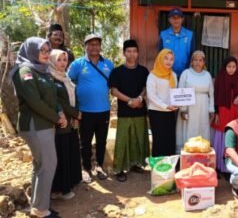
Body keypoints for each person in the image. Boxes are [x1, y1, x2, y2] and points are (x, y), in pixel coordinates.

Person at [10, 37, 67, 218]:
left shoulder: (42, 70)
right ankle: (42, 210)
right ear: (32, 51)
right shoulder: (25, 71)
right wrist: (56, 118)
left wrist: (60, 112)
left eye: (47, 50)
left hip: (45, 124)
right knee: (48, 164)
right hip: (36, 125)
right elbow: (35, 102)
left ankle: (38, 206)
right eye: (41, 50)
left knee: (41, 165)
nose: (45, 54)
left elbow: (52, 96)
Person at [68, 34, 114, 182]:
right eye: (91, 44)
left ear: (100, 47)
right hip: (85, 112)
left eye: (97, 44)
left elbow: (114, 85)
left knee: (102, 142)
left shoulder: (108, 64)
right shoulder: (77, 64)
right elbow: (68, 84)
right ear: (85, 46)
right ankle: (86, 168)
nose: (94, 47)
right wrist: (74, 109)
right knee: (85, 142)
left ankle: (99, 166)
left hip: (104, 111)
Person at [109, 40, 150, 182]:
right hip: (125, 112)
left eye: (134, 51)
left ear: (138, 53)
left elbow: (146, 88)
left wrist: (139, 98)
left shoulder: (144, 71)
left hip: (140, 111)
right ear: (124, 53)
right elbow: (114, 91)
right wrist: (130, 101)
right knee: (122, 140)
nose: (131, 54)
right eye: (128, 51)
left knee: (138, 138)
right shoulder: (117, 71)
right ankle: (119, 169)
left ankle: (136, 164)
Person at [49, 49, 82, 200]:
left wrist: (77, 114)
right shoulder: (50, 78)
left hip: (71, 122)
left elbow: (74, 96)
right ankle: (61, 189)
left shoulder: (66, 77)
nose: (63, 63)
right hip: (60, 123)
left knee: (71, 151)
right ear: (52, 60)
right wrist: (75, 113)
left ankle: (72, 181)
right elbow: (58, 101)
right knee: (61, 154)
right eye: (59, 59)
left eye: (65, 59)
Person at [176, 50, 214, 152]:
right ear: (191, 62)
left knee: (203, 130)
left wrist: (211, 109)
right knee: (189, 130)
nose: (198, 62)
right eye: (195, 60)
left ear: (204, 62)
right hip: (189, 108)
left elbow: (211, 93)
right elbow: (180, 92)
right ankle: (187, 155)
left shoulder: (207, 75)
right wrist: (183, 110)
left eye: (200, 60)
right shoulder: (186, 73)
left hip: (203, 107)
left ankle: (203, 154)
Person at [211, 56, 238, 174]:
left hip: (234, 111)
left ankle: (230, 164)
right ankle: (219, 164)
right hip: (222, 111)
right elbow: (215, 97)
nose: (231, 69)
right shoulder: (219, 79)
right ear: (225, 67)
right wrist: (216, 113)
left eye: (234, 67)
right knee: (221, 135)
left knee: (232, 134)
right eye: (229, 66)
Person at [146, 49, 178, 157]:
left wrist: (177, 103)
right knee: (159, 140)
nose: (169, 61)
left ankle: (170, 167)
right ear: (160, 58)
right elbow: (151, 96)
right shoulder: (153, 75)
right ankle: (158, 169)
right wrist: (165, 106)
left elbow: (174, 93)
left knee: (170, 139)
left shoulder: (173, 75)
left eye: (171, 59)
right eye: (166, 58)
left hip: (170, 112)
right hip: (156, 112)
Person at [159, 8, 195, 78]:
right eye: (173, 18)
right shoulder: (163, 34)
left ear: (182, 19)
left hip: (186, 73)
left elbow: (192, 55)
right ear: (169, 20)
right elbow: (160, 55)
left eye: (178, 17)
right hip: (168, 73)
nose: (176, 20)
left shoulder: (189, 35)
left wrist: (187, 71)